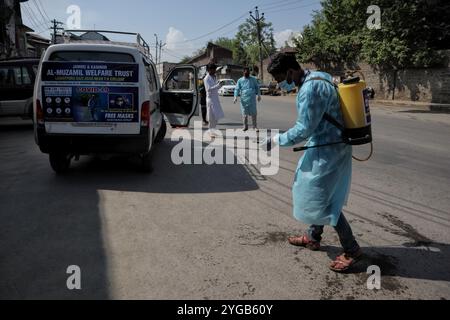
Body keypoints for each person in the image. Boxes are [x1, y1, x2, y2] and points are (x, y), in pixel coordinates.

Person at [264, 53, 362, 273]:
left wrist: (276, 139)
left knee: (323, 198)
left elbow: (304, 129)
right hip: (327, 145)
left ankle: (352, 248)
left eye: (281, 78)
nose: (280, 84)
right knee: (319, 193)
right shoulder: (318, 76)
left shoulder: (310, 89)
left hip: (329, 149)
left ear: (290, 72)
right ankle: (312, 236)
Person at [234, 67, 261, 132]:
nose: (247, 73)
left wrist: (258, 95)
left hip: (252, 99)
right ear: (243, 73)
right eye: (245, 72)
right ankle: (245, 126)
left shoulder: (253, 79)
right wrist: (235, 97)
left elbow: (257, 87)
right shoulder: (240, 80)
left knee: (254, 113)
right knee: (244, 113)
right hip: (244, 98)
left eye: (248, 72)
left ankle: (255, 126)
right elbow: (237, 89)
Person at [203, 63, 224, 137]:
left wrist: (219, 85)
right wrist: (217, 85)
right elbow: (208, 89)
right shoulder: (206, 78)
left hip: (216, 98)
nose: (215, 71)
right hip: (210, 99)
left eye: (215, 69)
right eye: (213, 69)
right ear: (209, 70)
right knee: (211, 117)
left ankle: (213, 130)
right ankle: (210, 131)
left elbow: (215, 88)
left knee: (216, 116)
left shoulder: (214, 77)